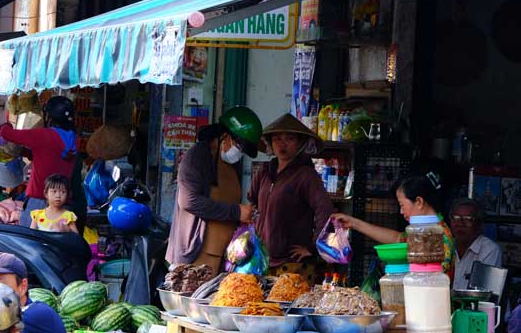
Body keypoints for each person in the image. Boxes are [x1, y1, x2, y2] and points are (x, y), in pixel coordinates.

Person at [166, 106, 262, 272]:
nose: (238, 154)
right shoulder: (196, 157)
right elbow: (189, 201)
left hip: (224, 257)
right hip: (195, 256)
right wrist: (236, 212)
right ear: (224, 137)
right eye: (238, 147)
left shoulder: (229, 164)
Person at [248, 113, 335, 283]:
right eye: (277, 138)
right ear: (270, 143)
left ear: (301, 143)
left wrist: (313, 246)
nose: (282, 144)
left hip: (293, 263)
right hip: (261, 259)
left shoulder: (306, 175)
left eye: (290, 138)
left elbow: (325, 211)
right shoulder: (264, 172)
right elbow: (252, 205)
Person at [334, 173, 456, 279]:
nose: (401, 212)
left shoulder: (439, 235)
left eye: (402, 205)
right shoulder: (422, 230)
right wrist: (354, 223)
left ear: (419, 202)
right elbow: (397, 238)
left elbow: (433, 280)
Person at [0, 96, 78, 226]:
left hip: (40, 202)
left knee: (30, 242)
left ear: (49, 116)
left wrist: (5, 126)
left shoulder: (44, 135)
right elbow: (51, 156)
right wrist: (25, 152)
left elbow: (9, 134)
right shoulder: (74, 138)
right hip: (63, 203)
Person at [450, 198, 502, 289]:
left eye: (468, 219)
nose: (460, 223)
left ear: (479, 224)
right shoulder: (445, 246)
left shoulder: (489, 250)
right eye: (456, 218)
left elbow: (483, 292)